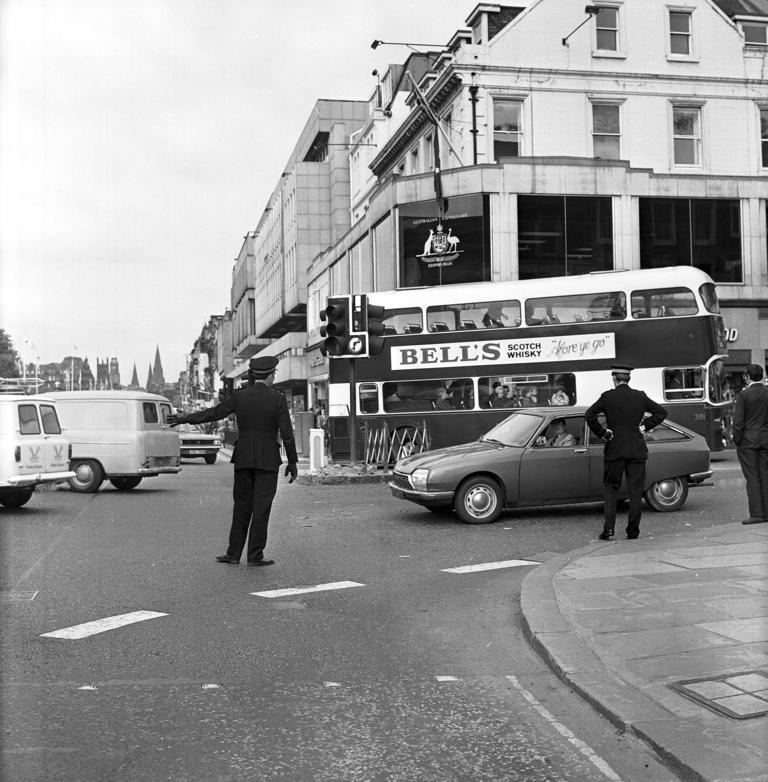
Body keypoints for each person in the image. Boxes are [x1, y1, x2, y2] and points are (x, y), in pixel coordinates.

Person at [167, 355, 298, 566]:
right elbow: (287, 434)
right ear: (271, 375)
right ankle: (255, 555)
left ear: (254, 375)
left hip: (244, 457)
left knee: (242, 507)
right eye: (275, 374)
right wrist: (292, 463)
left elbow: (214, 413)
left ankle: (233, 553)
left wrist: (183, 418)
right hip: (267, 460)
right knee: (261, 508)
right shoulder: (277, 399)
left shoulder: (240, 396)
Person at [585, 364, 667, 541]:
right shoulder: (640, 396)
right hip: (637, 449)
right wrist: (644, 426)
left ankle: (609, 530)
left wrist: (603, 432)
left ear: (614, 378)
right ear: (629, 378)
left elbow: (589, 415)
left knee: (610, 489)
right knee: (636, 491)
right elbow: (661, 412)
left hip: (614, 449)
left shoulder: (608, 397)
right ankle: (633, 531)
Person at [732, 364, 768, 525]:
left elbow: (738, 422)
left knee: (752, 478)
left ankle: (757, 514)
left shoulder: (744, 396)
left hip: (748, 441)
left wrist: (737, 439)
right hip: (766, 439)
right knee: (765, 476)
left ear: (747, 377)